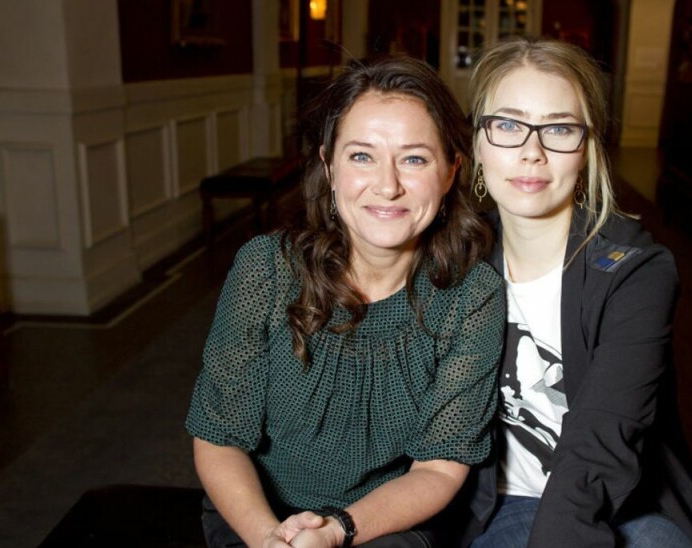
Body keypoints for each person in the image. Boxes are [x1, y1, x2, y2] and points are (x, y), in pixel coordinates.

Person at [185, 55, 505, 548]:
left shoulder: (471, 296)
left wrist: (337, 531)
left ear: (449, 172)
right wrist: (271, 538)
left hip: (387, 520)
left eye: (414, 158)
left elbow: (439, 468)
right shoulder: (265, 268)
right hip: (258, 512)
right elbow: (219, 436)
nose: (387, 184)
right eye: (361, 156)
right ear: (329, 167)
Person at [454, 36, 692, 547]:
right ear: (478, 142)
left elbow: (601, 439)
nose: (531, 153)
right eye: (508, 125)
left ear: (588, 149)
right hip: (498, 502)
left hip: (619, 498)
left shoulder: (636, 272)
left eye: (559, 128)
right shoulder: (453, 259)